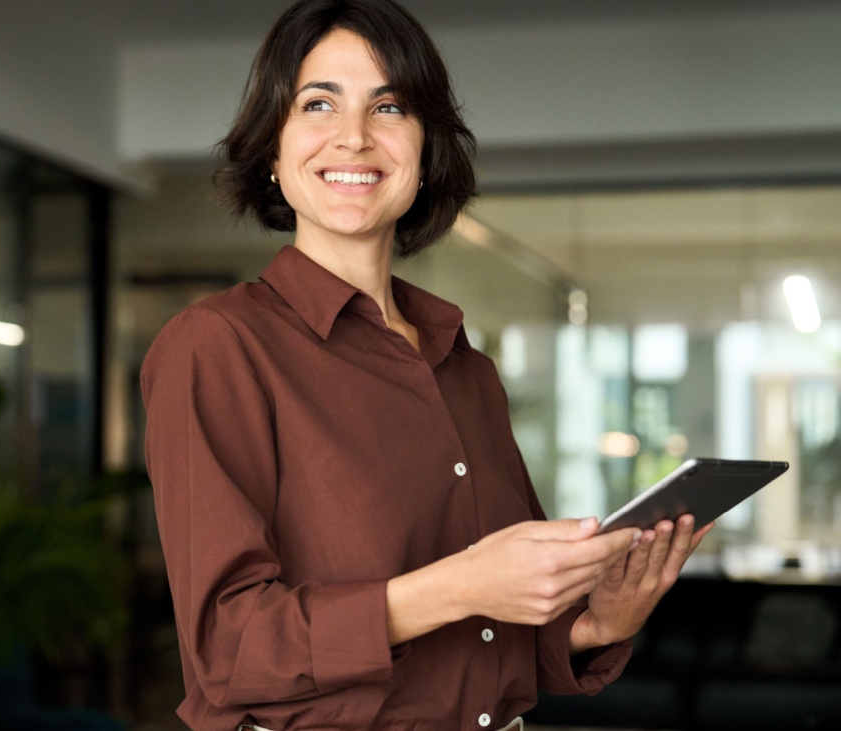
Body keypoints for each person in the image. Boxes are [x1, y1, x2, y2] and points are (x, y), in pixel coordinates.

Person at [140, 1, 712, 729]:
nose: (354, 136)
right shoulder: (217, 345)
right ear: (272, 154)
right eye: (318, 104)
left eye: (390, 107)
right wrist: (463, 584)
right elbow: (229, 650)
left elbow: (492, 642)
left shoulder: (466, 368)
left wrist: (599, 621)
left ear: (423, 149)